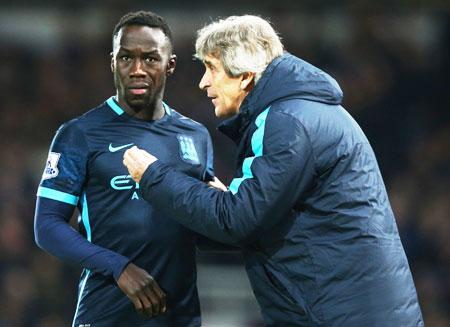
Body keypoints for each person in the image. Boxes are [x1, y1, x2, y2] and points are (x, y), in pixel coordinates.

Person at [123, 15, 424, 326]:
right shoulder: (300, 112)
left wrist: (154, 176)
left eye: (211, 68)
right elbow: (256, 226)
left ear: (245, 76)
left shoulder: (286, 120)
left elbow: (237, 221)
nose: (203, 82)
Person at [34, 11, 216, 326]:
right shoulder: (80, 134)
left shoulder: (195, 136)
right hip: (106, 313)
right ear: (113, 62)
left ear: (169, 65)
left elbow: (202, 225)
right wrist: (119, 267)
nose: (137, 70)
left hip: (179, 316)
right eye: (126, 58)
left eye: (150, 59)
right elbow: (47, 226)